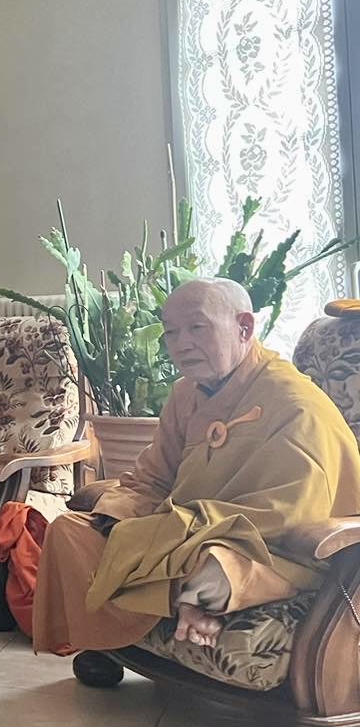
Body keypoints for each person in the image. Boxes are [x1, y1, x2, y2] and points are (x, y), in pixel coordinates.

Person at [33, 277, 360, 657]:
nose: (181, 344)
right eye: (171, 332)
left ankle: (190, 599)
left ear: (244, 327)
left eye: (197, 327)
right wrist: (117, 515)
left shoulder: (297, 405)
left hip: (265, 547)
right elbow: (153, 476)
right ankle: (170, 609)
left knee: (215, 571)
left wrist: (182, 532)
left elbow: (291, 516)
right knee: (71, 531)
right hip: (188, 530)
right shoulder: (185, 393)